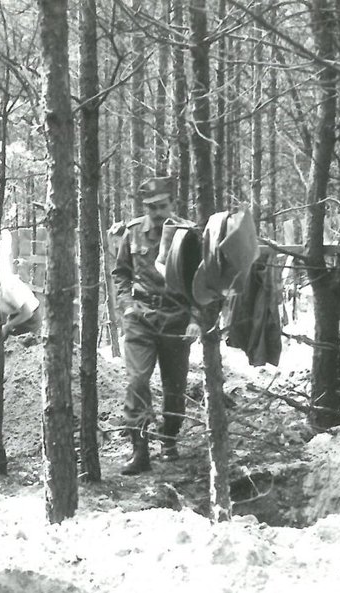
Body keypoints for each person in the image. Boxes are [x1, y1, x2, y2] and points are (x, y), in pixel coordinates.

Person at [111, 176, 201, 475]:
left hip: (176, 317)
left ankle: (170, 436)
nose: (157, 212)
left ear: (172, 204)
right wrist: (126, 308)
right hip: (141, 318)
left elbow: (202, 281)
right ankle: (140, 451)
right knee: (137, 382)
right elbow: (121, 274)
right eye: (151, 207)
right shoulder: (133, 232)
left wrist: (196, 319)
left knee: (174, 388)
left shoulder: (187, 234)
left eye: (162, 206)